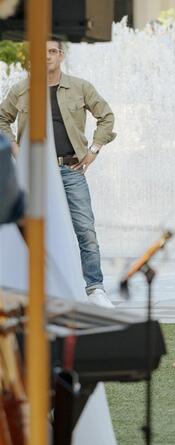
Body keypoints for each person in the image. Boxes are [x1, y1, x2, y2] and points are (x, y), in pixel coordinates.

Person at [0, 40, 116, 307]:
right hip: (36, 171)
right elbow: (1, 118)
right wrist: (15, 149)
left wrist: (94, 150)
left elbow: (106, 116)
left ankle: (95, 289)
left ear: (60, 56)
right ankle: (29, 287)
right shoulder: (21, 90)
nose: (47, 56)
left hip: (70, 168)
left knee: (85, 229)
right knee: (26, 228)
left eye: (52, 51)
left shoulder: (79, 87)